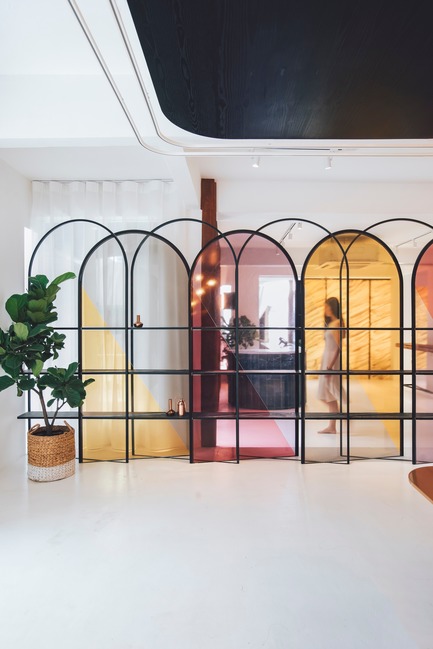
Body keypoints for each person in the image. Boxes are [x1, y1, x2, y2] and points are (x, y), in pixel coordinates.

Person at [317, 297, 345, 434]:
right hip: (327, 359)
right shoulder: (332, 323)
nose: (325, 310)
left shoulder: (338, 323)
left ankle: (335, 423)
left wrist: (330, 366)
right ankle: (335, 423)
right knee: (326, 394)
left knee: (328, 393)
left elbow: (338, 347)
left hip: (331, 361)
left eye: (326, 307)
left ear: (332, 307)